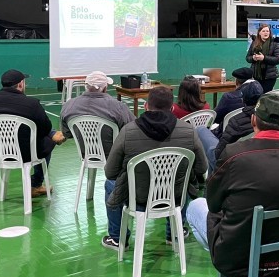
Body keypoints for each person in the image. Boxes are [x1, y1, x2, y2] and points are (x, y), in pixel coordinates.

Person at [186, 94, 279, 277]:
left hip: (240, 260)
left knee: (195, 207)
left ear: (254, 120)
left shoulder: (234, 154)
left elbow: (214, 204)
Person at [102, 86, 207, 250]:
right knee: (187, 182)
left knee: (109, 184)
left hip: (136, 199)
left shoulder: (128, 131)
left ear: (146, 106)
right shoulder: (189, 131)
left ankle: (117, 238)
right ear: (172, 108)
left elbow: (110, 172)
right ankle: (174, 234)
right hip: (174, 197)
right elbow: (202, 168)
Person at [0, 69, 65, 197]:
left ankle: (54, 135)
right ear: (20, 84)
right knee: (47, 137)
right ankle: (35, 184)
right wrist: (49, 133)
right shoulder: (32, 103)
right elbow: (45, 128)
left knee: (42, 131)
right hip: (26, 153)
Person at [196, 80, 263, 173]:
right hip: (251, 160)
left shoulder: (236, 121)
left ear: (243, 99)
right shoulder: (264, 120)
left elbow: (219, 154)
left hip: (228, 164)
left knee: (200, 130)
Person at [60, 71, 135, 153]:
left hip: (86, 156)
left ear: (86, 86)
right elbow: (132, 131)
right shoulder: (119, 107)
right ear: (105, 88)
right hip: (115, 157)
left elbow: (67, 134)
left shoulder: (69, 105)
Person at [246, 23, 279, 93]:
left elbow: (278, 59)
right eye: (263, 31)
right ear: (259, 33)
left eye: (267, 31)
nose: (266, 33)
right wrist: (253, 58)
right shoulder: (254, 43)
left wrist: (264, 58)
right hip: (256, 75)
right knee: (256, 95)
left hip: (269, 76)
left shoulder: (275, 44)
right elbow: (247, 58)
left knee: (264, 95)